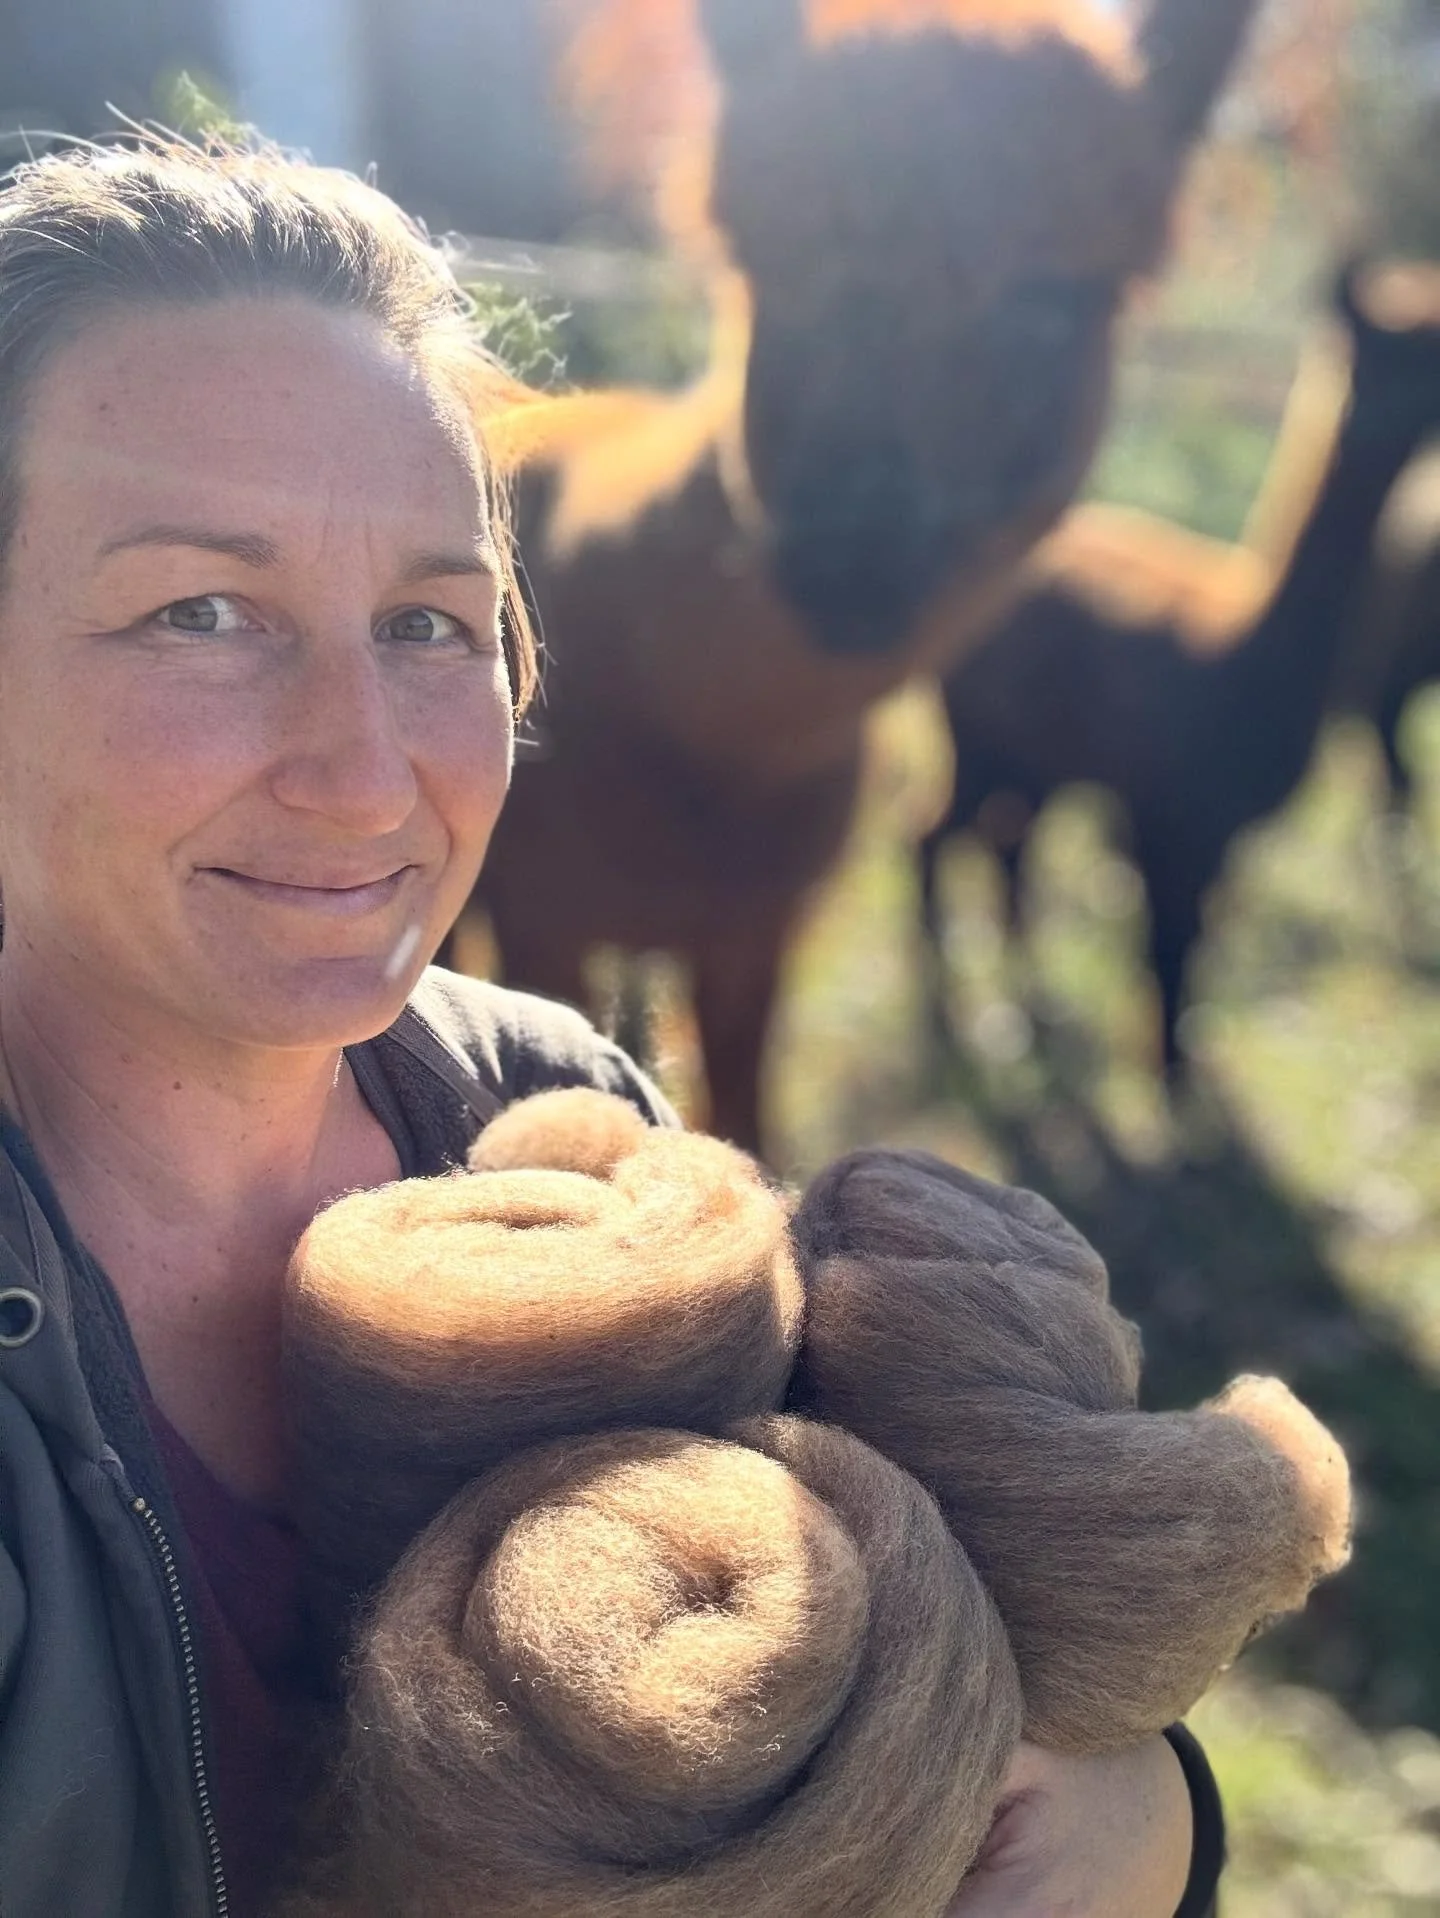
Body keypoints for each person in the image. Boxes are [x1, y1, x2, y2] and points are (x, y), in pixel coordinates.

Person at [0, 137, 1220, 1917]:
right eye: (202, 611)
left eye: (434, 619)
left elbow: (923, 1675)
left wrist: (1136, 1813)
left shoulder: (569, 1117)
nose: (364, 769)